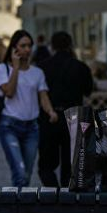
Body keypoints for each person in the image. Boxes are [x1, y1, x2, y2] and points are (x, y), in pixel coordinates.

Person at [0, 30, 59, 188]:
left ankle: (18, 206)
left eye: (29, 46)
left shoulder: (37, 73)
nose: (27, 49)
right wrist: (15, 68)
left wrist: (50, 112)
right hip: (10, 125)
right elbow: (9, 92)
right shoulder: (2, 69)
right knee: (19, 172)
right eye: (23, 46)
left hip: (31, 128)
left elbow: (43, 96)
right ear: (14, 48)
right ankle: (16, 210)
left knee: (27, 174)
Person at [36, 31, 94, 188]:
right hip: (74, 117)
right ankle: (67, 194)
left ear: (52, 46)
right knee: (71, 164)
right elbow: (88, 91)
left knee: (46, 165)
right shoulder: (81, 67)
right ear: (70, 45)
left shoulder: (42, 67)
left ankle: (54, 192)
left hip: (50, 117)